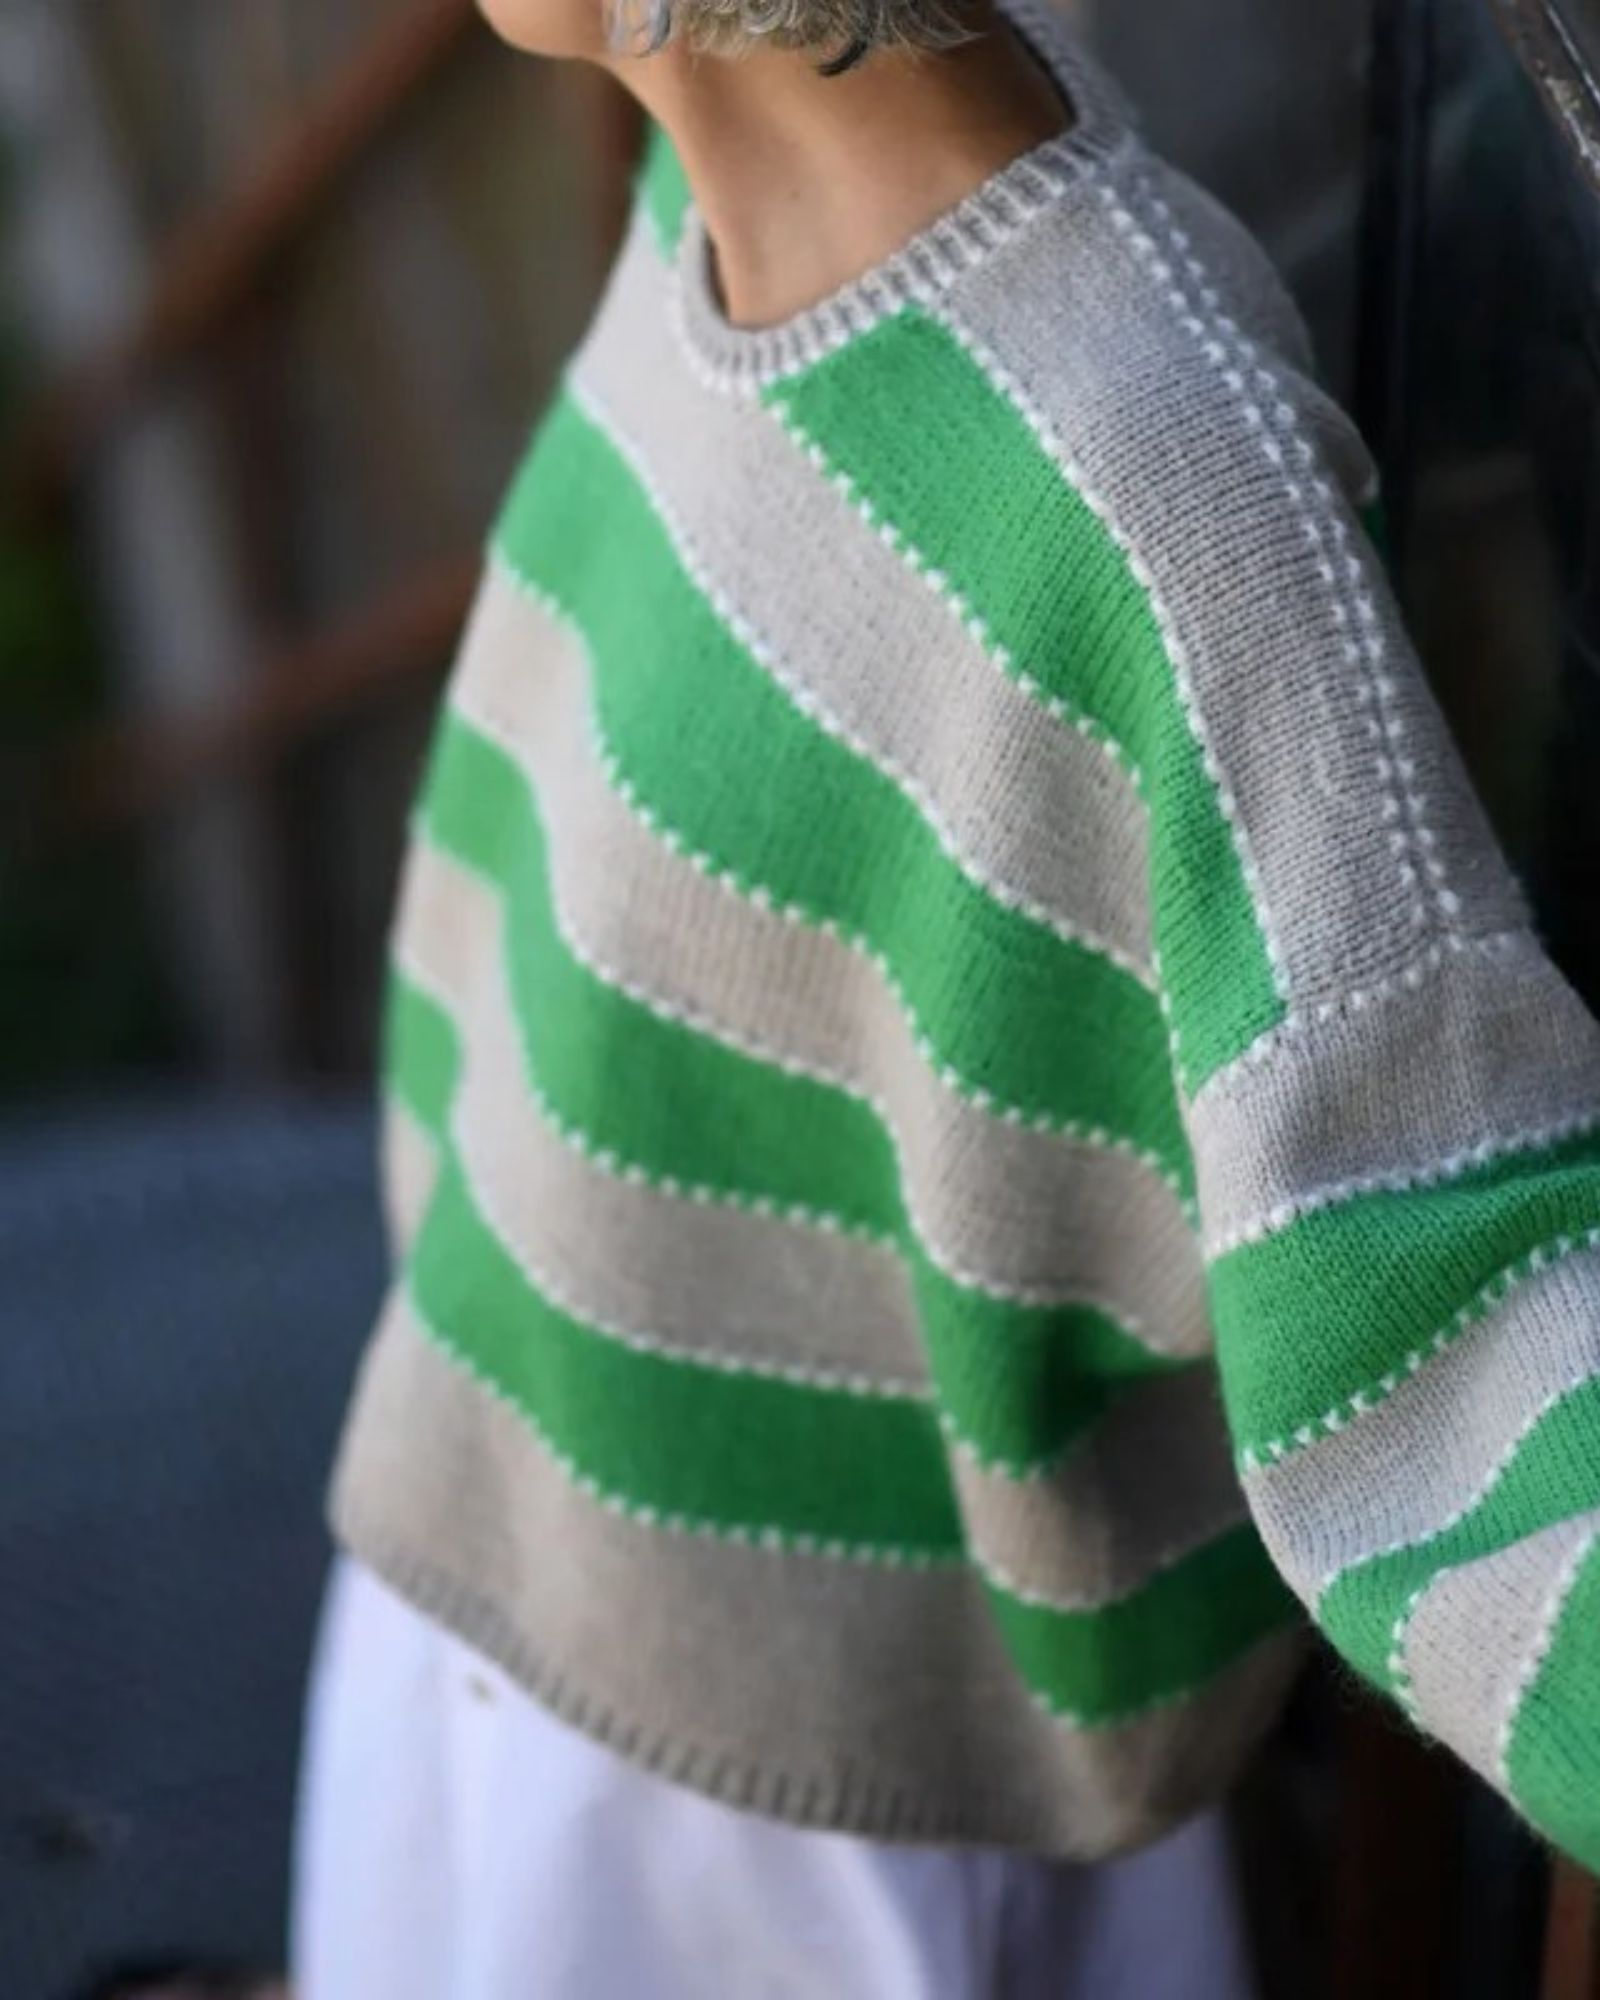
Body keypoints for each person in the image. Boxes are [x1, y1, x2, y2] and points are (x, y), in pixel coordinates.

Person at [295, 0, 1600, 1990]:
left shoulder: (1155, 493)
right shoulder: (706, 189)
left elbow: (1446, 1309)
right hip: (490, 1578)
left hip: (816, 1846)